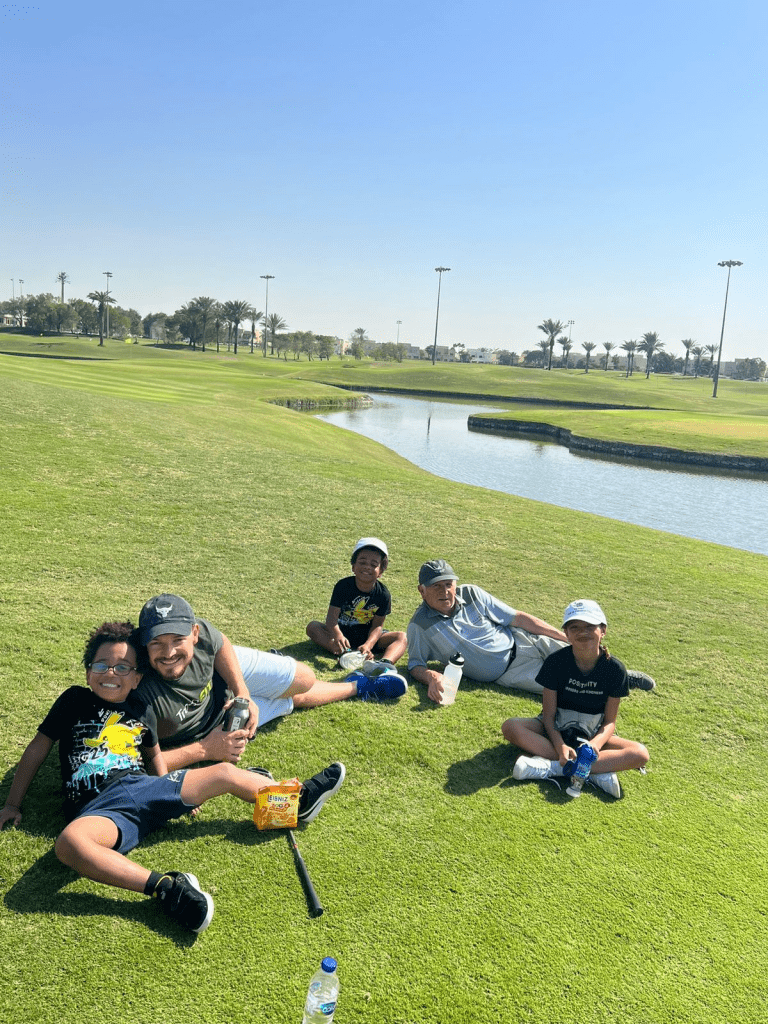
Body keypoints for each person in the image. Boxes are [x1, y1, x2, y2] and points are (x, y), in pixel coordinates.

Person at [0, 621, 345, 934]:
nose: (111, 673)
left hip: (143, 787)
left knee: (224, 773)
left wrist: (174, 796)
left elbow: (153, 758)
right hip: (100, 810)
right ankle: (166, 888)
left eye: (123, 667)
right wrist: (13, 803)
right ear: (88, 671)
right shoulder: (74, 699)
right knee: (70, 844)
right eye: (101, 665)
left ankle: (292, 806)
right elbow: (37, 749)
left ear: (137, 678)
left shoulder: (141, 709)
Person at [137, 593, 406, 770]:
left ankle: (264, 674)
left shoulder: (202, 633)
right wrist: (206, 749)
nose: (169, 652)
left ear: (194, 634)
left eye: (177, 640)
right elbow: (143, 764)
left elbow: (219, 642)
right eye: (157, 643)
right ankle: (359, 685)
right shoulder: (136, 688)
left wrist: (243, 694)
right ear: (142, 643)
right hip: (214, 725)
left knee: (304, 678)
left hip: (221, 675)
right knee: (290, 699)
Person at [407, 560, 655, 703]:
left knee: (582, 652)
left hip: (524, 641)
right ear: (422, 590)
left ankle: (623, 676)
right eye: (436, 586)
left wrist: (560, 636)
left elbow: (517, 618)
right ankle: (606, 691)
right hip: (508, 673)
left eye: (449, 584)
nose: (445, 592)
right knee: (565, 687)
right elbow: (415, 664)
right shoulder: (420, 625)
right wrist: (432, 677)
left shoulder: (471, 593)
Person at [502, 599, 649, 798]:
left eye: (590, 626)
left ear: (603, 630)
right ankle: (592, 772)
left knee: (640, 754)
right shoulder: (555, 662)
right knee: (511, 727)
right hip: (557, 725)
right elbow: (548, 715)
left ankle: (554, 767)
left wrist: (595, 745)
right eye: (575, 627)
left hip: (592, 731)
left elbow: (610, 721)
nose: (582, 632)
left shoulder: (615, 669)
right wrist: (560, 745)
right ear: (566, 634)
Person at [306, 537, 407, 665]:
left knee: (402, 637)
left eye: (374, 564)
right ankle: (345, 654)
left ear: (381, 571)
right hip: (342, 637)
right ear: (353, 566)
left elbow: (377, 626)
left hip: (368, 638)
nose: (367, 567)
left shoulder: (383, 594)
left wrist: (368, 645)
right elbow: (331, 619)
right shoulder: (342, 586)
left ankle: (383, 664)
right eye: (362, 562)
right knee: (313, 627)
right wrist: (338, 635)